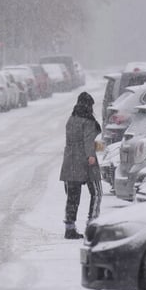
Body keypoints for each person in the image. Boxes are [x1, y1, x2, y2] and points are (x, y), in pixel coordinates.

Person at [59, 91, 102, 239]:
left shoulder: (71, 119)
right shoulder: (88, 121)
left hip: (70, 161)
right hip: (85, 161)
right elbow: (89, 140)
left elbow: (75, 139)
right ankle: (92, 226)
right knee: (96, 193)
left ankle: (69, 228)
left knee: (72, 197)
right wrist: (91, 155)